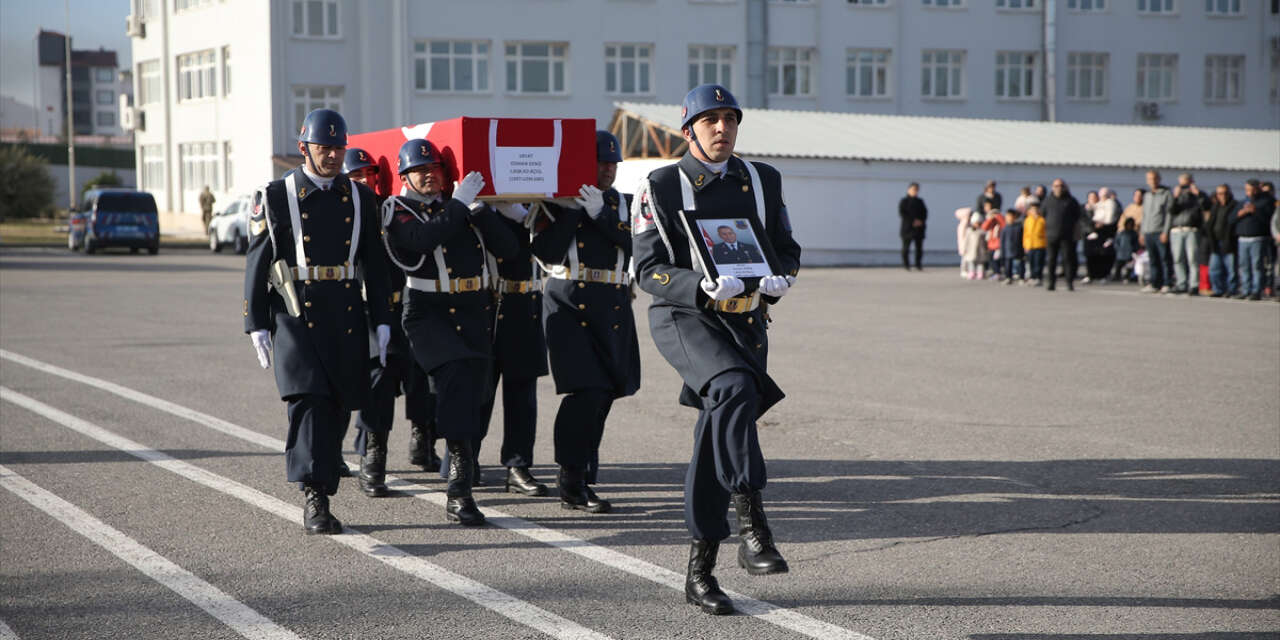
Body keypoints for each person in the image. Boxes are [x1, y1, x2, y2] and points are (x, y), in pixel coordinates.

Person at [632, 84, 801, 615]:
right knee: (733, 388)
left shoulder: (761, 178)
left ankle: (700, 572)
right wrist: (696, 286)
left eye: (729, 119)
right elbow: (647, 269)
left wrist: (781, 277)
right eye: (710, 120)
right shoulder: (660, 185)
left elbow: (786, 246)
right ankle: (754, 523)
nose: (722, 128)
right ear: (688, 131)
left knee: (718, 428)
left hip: (746, 319)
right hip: (684, 316)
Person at [242, 109, 392, 534]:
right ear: (304, 148)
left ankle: (323, 481)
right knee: (308, 402)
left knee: (338, 403)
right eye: (323, 148)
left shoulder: (362, 198)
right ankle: (315, 498)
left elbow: (374, 265)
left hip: (344, 308)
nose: (331, 155)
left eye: (337, 148)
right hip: (296, 310)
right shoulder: (275, 196)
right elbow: (258, 260)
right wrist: (255, 321)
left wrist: (382, 318)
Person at [382, 138, 519, 524]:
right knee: (455, 379)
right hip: (428, 312)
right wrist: (460, 205)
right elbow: (420, 241)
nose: (429, 175)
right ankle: (459, 491)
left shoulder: (461, 206)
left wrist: (486, 212)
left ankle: (450, 452)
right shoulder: (398, 208)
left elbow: (509, 252)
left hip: (473, 310)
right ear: (405, 176)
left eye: (434, 169)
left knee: (475, 393)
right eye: (419, 170)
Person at [531, 130, 642, 513]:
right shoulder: (553, 205)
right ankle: (571, 481)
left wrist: (603, 214)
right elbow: (542, 250)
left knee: (606, 393)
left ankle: (583, 478)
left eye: (613, 163)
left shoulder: (625, 204)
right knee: (586, 392)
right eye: (600, 162)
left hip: (612, 305)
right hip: (569, 303)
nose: (608, 169)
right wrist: (574, 210)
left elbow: (642, 247)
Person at [1234, 179, 1276, 300]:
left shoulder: (1266, 202)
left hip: (1258, 239)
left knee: (1257, 266)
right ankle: (1246, 290)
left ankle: (1256, 290)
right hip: (1243, 239)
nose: (1249, 192)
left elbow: (1270, 221)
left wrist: (1256, 211)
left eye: (1252, 189)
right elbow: (1231, 219)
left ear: (1258, 189)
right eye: (1247, 189)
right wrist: (1240, 213)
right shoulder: (1242, 202)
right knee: (1244, 266)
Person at [1169, 173, 1207, 296]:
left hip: (1191, 229)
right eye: (1182, 182)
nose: (1184, 185)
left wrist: (1198, 194)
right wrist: (1175, 196)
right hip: (1177, 230)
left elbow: (1206, 206)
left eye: (1187, 182)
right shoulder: (1177, 194)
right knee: (1178, 259)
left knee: (1192, 259)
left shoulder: (1198, 195)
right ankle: (1181, 284)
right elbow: (1171, 210)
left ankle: (1194, 285)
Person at [1041, 179, 1081, 292]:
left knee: (1068, 260)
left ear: (1065, 187)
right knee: (1051, 260)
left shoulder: (1071, 201)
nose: (1058, 188)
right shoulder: (1048, 201)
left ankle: (1069, 282)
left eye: (1061, 186)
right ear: (1052, 187)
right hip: (1051, 235)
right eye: (1056, 186)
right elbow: (1042, 214)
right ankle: (1051, 283)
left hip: (1067, 236)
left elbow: (1077, 216)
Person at [1140, 171, 1174, 293]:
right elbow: (1144, 215)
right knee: (1153, 259)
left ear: (1159, 179)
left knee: (1164, 258)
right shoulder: (1147, 195)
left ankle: (1167, 283)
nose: (1152, 181)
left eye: (1154, 179)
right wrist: (1142, 232)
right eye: (1149, 179)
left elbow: (1168, 214)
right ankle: (1155, 283)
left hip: (1160, 231)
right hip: (1148, 231)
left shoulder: (1166, 194)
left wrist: (1165, 232)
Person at [1203, 184, 1239, 298]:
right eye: (1219, 193)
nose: (1222, 196)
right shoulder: (1216, 207)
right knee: (1214, 269)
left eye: (1224, 193)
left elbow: (1232, 223)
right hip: (1216, 242)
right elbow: (1210, 225)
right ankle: (1218, 289)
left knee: (1231, 269)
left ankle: (1231, 290)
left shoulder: (1235, 206)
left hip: (1229, 241)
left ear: (1229, 193)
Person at [1085, 188, 1120, 282]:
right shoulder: (1100, 203)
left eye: (1104, 195)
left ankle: (1104, 274)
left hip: (1106, 231)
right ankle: (1093, 274)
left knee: (1105, 254)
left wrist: (1102, 223)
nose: (1102, 197)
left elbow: (1110, 218)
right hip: (1096, 230)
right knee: (1093, 254)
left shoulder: (1111, 203)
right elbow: (1091, 208)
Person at [898, 182, 927, 271]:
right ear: (909, 189)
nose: (915, 192)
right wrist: (912, 221)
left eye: (917, 190)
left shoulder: (920, 201)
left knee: (919, 248)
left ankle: (918, 264)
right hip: (907, 228)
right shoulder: (904, 201)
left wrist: (920, 221)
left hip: (919, 228)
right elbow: (902, 214)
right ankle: (906, 265)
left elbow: (925, 213)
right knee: (906, 248)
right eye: (914, 189)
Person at [1022, 204, 1047, 285]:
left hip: (1040, 244)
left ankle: (1038, 277)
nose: (1034, 211)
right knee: (1031, 262)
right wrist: (1025, 245)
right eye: (1032, 210)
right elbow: (1025, 234)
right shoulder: (1027, 220)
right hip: (1030, 244)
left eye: (1036, 209)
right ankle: (1032, 277)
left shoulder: (1042, 220)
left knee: (1038, 262)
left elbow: (1045, 233)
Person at [980, 202, 1004, 279]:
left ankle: (998, 272)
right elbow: (984, 227)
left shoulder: (1000, 221)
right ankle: (995, 272)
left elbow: (1004, 225)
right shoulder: (990, 221)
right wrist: (991, 219)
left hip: (998, 244)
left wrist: (998, 217)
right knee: (991, 259)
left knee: (997, 259)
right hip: (991, 243)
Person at [1000, 209, 1024, 284]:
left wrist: (1023, 249)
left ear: (1015, 217)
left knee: (1020, 264)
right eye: (1007, 216)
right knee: (1008, 265)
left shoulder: (1019, 227)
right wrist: (1002, 251)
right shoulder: (1004, 228)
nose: (1009, 218)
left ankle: (1021, 277)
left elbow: (1022, 238)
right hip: (1008, 250)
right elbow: (1002, 241)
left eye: (1011, 216)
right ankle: (1008, 277)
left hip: (1018, 249)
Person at [961, 211, 985, 280]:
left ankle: (980, 273)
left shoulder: (982, 231)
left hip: (980, 250)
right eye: (975, 223)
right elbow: (966, 241)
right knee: (971, 263)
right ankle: (972, 272)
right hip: (971, 250)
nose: (977, 224)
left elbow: (985, 241)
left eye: (978, 223)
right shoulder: (969, 231)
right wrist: (964, 249)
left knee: (980, 263)